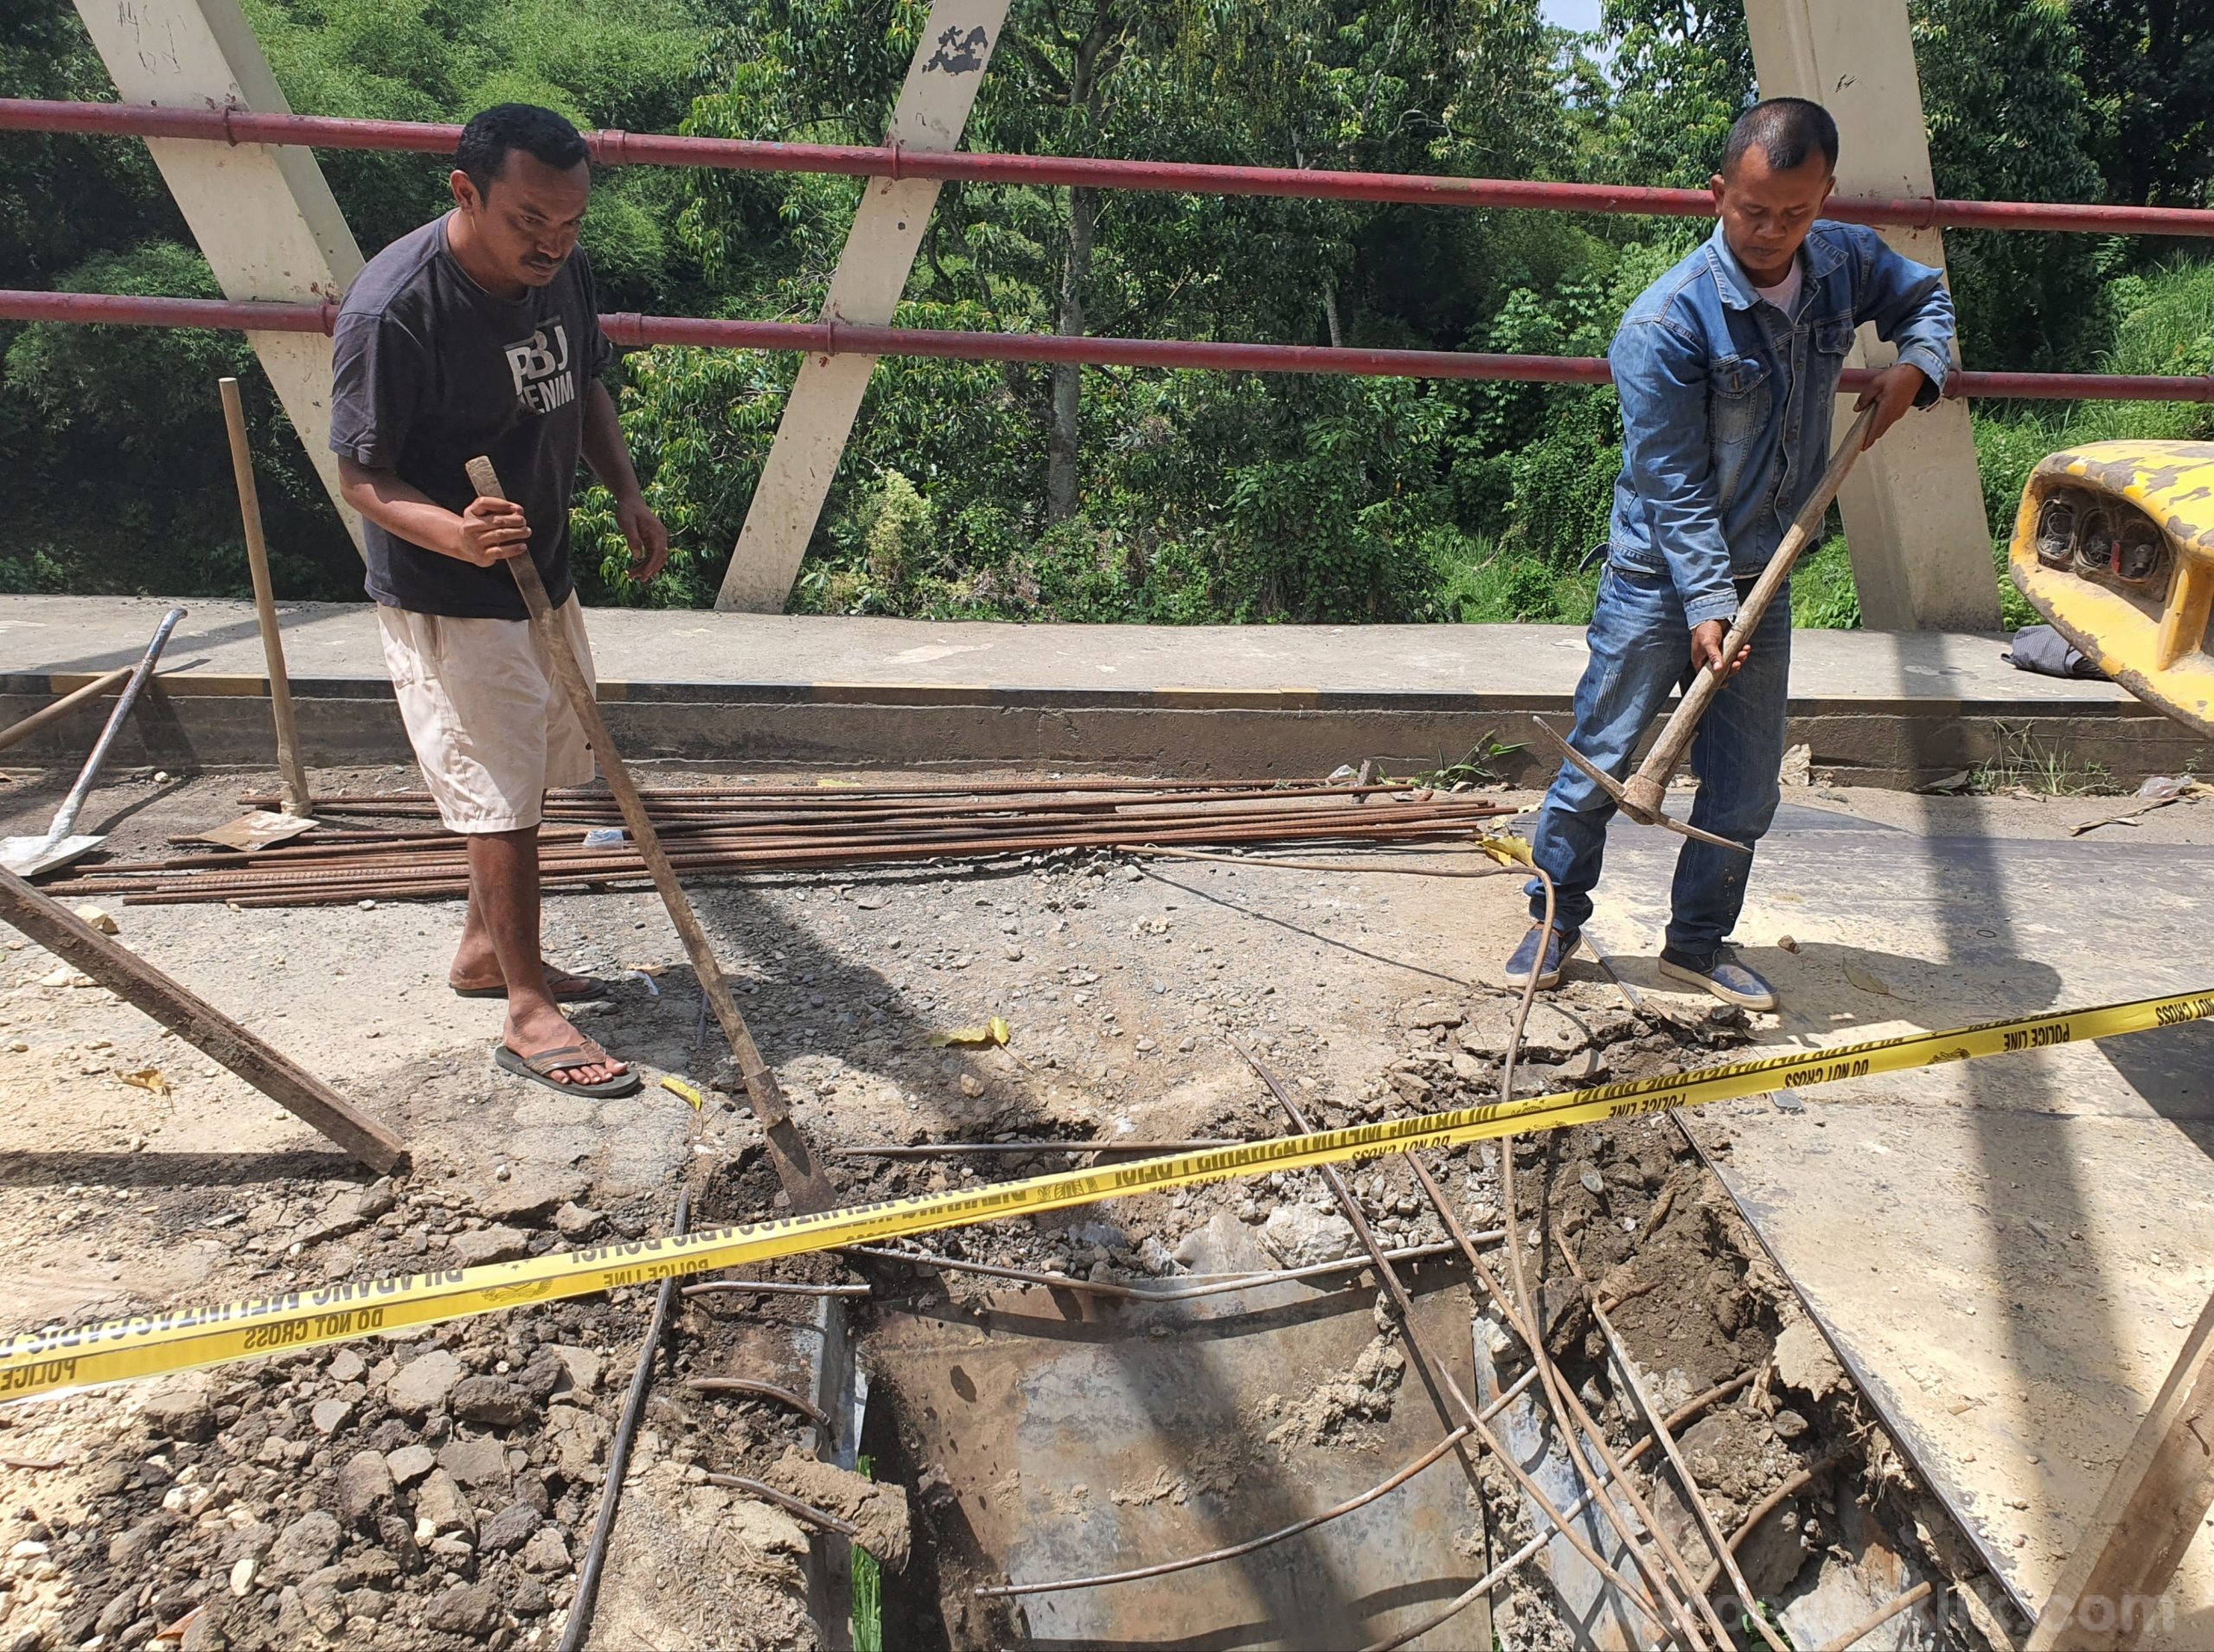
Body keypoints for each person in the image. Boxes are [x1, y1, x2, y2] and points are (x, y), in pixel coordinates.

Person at [1507, 98, 1956, 1011]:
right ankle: (1555, 915)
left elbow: (1926, 294)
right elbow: (1671, 490)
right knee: (1602, 752)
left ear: (1824, 197)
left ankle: (1698, 944)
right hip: (1655, 579)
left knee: (1746, 784)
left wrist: (1919, 362)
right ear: (1717, 194)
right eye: (1752, 211)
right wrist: (1708, 608)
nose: (1771, 231)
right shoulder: (1664, 326)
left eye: (1794, 212)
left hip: (1768, 568)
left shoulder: (1840, 265)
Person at [330, 103, 668, 1097]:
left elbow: (584, 384)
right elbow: (361, 477)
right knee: (500, 790)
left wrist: (626, 492)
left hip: (542, 567)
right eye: (529, 220)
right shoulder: (394, 313)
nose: (553, 244)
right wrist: (456, 532)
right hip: (451, 588)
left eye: (570, 224)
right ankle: (526, 1007)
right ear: (466, 192)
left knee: (536, 756)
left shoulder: (558, 269)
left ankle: (485, 952)